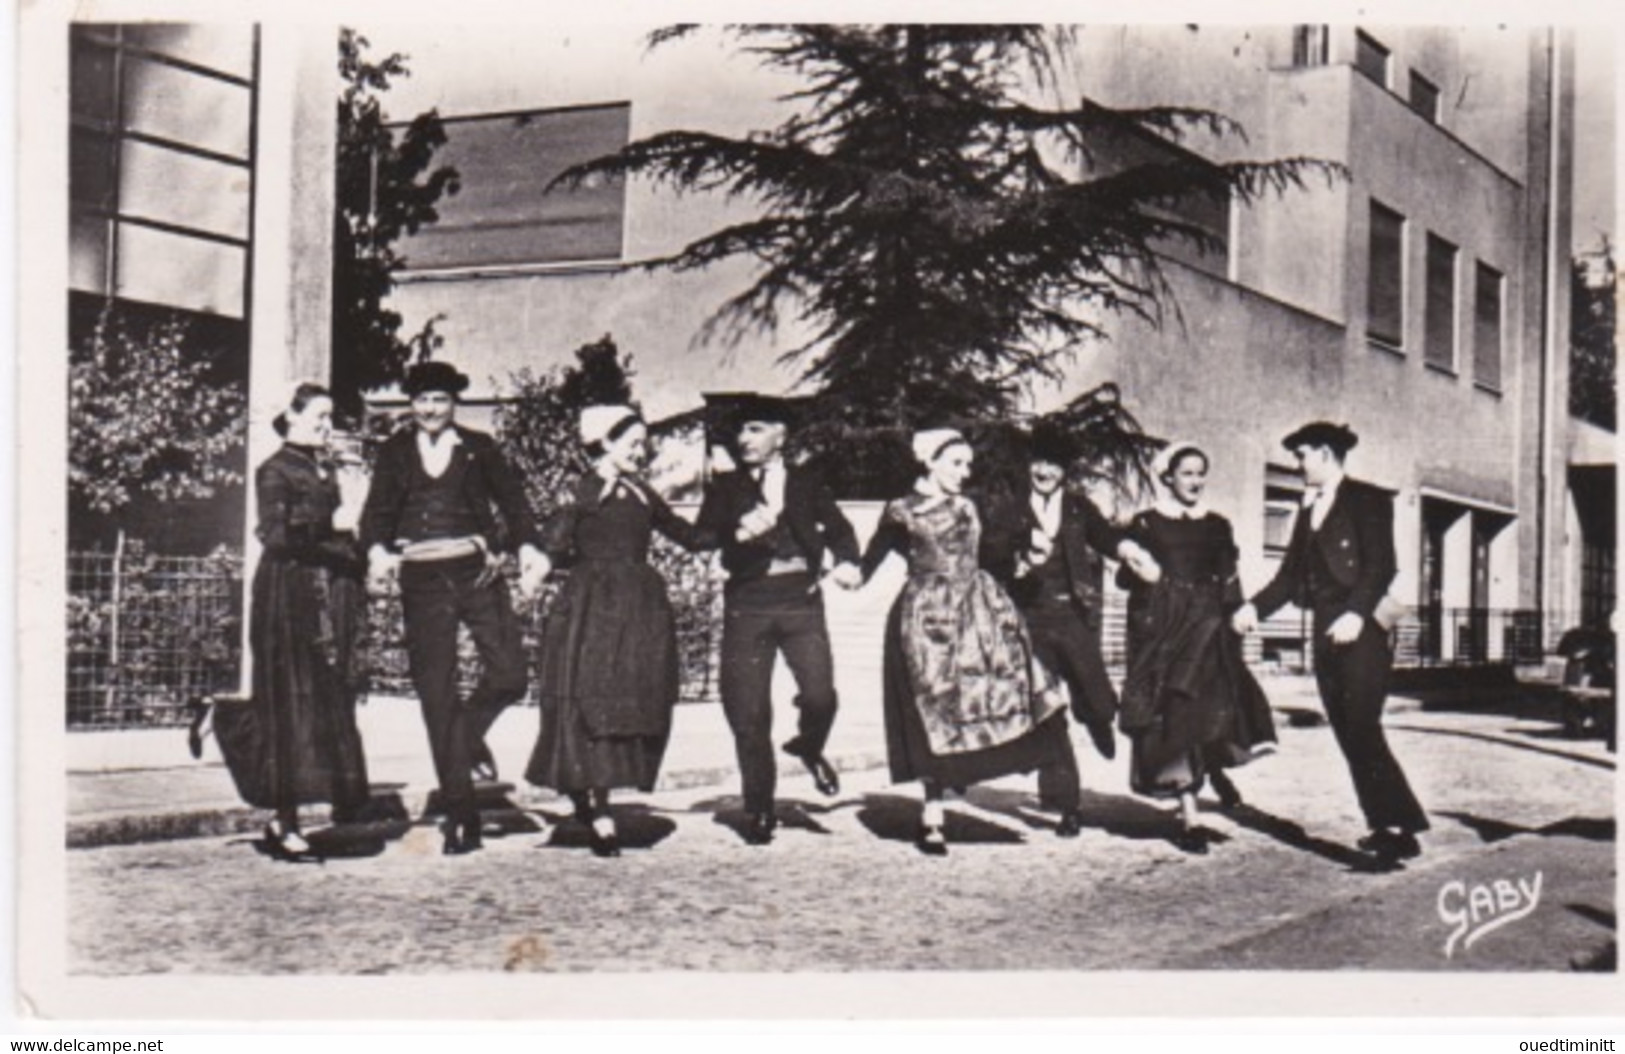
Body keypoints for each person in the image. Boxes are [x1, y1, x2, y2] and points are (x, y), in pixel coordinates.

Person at [858, 429, 1080, 856]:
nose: (965, 472)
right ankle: (933, 817)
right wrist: (848, 572)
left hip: (980, 613)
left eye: (967, 464)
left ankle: (1031, 774)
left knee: (1010, 690)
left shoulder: (970, 507)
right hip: (926, 620)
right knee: (933, 709)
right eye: (956, 463)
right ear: (931, 462)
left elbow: (994, 553)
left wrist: (1024, 554)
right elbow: (871, 559)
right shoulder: (901, 510)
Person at [360, 361, 547, 855]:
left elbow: (515, 505)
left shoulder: (479, 448)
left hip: (476, 570)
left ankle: (464, 736)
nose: (429, 409)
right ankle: (462, 816)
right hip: (422, 577)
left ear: (453, 403)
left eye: (439, 400)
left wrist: (528, 547)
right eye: (421, 400)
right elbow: (375, 515)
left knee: (510, 673)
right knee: (436, 689)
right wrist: (377, 552)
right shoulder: (394, 451)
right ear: (411, 404)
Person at [1232, 421, 1427, 868]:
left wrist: (1357, 613)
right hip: (1325, 630)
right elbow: (1288, 578)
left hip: (1362, 630)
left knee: (1361, 724)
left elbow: (1382, 565)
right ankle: (1388, 827)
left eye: (1302, 455)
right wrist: (1252, 610)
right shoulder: (1308, 509)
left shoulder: (1368, 500)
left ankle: (1399, 826)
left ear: (1324, 453)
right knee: (1346, 730)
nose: (1298, 465)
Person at [524, 405, 712, 857]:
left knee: (631, 698)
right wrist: (537, 570)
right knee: (591, 699)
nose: (639, 451)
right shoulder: (583, 491)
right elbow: (556, 538)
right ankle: (600, 810)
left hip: (639, 610)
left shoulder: (642, 492)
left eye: (642, 443)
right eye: (631, 443)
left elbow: (685, 534)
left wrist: (732, 528)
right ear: (605, 442)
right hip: (591, 608)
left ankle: (595, 794)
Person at [692, 394, 862, 845]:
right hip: (747, 605)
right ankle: (760, 807)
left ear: (780, 436)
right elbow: (703, 536)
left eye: (755, 429)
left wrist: (848, 561)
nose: (744, 439)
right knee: (748, 713)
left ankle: (809, 744)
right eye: (741, 431)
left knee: (821, 696)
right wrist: (737, 532)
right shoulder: (726, 489)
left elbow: (842, 530)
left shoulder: (807, 482)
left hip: (801, 604)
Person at [210, 383, 370, 861]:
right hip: (287, 597)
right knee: (287, 701)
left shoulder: (324, 470)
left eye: (329, 418)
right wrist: (336, 526)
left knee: (322, 700)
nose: (325, 426)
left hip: (325, 596)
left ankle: (298, 816)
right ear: (293, 417)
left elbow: (338, 535)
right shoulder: (274, 469)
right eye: (317, 417)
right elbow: (276, 533)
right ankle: (284, 822)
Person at [979, 421, 1158, 829]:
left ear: (1065, 470)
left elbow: (1105, 537)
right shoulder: (1009, 506)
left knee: (1097, 698)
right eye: (1038, 462)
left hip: (1075, 614)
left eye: (1054, 465)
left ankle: (1097, 719)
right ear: (1029, 464)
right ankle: (1066, 803)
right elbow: (990, 554)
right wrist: (1019, 560)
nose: (1044, 472)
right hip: (1028, 619)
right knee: (1049, 710)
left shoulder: (1078, 507)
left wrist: (1128, 548)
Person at [1117, 442, 1277, 853]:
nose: (1195, 481)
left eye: (1200, 472)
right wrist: (1141, 568)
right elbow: (1128, 582)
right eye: (1186, 473)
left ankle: (1214, 769)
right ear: (1167, 476)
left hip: (1208, 628)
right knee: (1174, 714)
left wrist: (1237, 620)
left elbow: (1229, 578)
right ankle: (1190, 815)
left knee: (1209, 708)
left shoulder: (1216, 525)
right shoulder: (1147, 523)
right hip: (1166, 632)